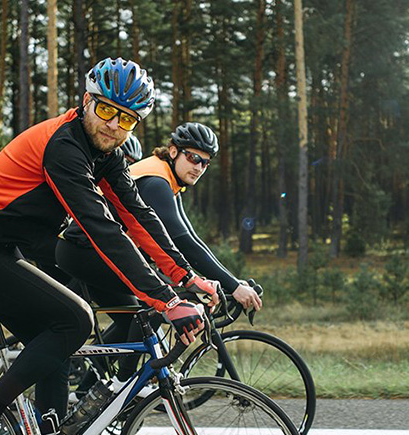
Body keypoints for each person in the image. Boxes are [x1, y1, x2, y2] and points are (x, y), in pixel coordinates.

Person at [0, 57, 218, 435]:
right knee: (75, 321)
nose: (113, 125)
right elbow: (102, 227)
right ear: (87, 101)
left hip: (1, 248)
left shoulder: (107, 154)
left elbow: (137, 216)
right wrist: (167, 300)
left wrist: (186, 277)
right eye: (106, 110)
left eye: (127, 118)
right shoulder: (64, 147)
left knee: (59, 343)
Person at [56, 122, 261, 397]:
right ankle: (122, 384)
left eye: (205, 163)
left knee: (133, 319)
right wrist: (233, 286)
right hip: (83, 250)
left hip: (91, 251)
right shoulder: (155, 182)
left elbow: (191, 238)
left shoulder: (167, 180)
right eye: (193, 157)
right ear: (173, 151)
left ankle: (86, 393)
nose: (199, 167)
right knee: (156, 304)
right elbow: (182, 241)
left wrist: (230, 281)